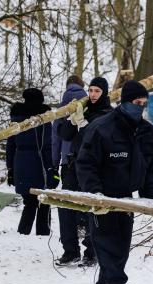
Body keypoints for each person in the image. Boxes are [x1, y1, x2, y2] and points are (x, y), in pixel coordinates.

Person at [76, 80, 153, 284]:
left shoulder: (148, 133)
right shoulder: (101, 128)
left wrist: (148, 195)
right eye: (136, 103)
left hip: (127, 201)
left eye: (144, 104)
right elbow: (85, 164)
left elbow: (151, 167)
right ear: (124, 103)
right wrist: (96, 195)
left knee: (119, 252)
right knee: (108, 250)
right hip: (103, 201)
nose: (140, 108)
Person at [55, 76, 113, 266]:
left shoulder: (108, 113)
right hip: (73, 164)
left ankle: (92, 251)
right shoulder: (83, 108)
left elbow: (100, 137)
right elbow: (64, 135)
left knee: (91, 208)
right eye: (91, 90)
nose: (93, 95)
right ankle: (70, 250)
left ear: (104, 93)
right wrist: (71, 121)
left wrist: (84, 124)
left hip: (94, 167)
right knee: (66, 206)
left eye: (97, 91)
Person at [6, 88, 58, 235]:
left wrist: (10, 168)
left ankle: (23, 233)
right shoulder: (45, 117)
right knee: (44, 199)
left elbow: (10, 145)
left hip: (21, 163)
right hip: (41, 162)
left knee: (29, 202)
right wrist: (53, 167)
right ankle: (43, 232)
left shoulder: (16, 118)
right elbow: (49, 144)